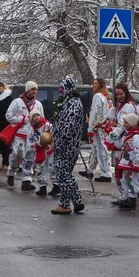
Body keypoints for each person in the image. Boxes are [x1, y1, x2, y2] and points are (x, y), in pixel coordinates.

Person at [51, 76, 85, 214]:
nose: (60, 91)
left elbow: (68, 127)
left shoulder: (73, 104)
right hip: (68, 144)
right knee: (65, 174)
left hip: (67, 145)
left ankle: (72, 201)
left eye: (62, 88)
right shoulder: (68, 102)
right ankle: (70, 203)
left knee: (62, 175)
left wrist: (58, 142)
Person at [5, 81, 44, 191]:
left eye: (36, 90)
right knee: (19, 155)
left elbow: (42, 119)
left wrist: (42, 130)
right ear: (27, 90)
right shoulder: (17, 102)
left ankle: (26, 180)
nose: (34, 91)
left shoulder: (38, 104)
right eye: (32, 89)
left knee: (30, 156)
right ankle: (11, 173)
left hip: (32, 135)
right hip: (19, 133)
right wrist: (23, 119)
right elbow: (8, 115)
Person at [106, 83, 137, 199]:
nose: (119, 97)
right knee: (119, 172)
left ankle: (129, 196)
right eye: (117, 94)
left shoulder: (129, 106)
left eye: (121, 94)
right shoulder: (117, 108)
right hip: (119, 144)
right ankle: (124, 195)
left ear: (126, 93)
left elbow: (123, 126)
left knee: (126, 173)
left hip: (127, 143)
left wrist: (111, 136)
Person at [114, 113, 139, 209]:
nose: (124, 124)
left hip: (132, 164)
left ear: (132, 124)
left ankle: (132, 199)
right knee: (124, 180)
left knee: (132, 181)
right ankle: (125, 197)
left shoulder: (136, 137)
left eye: (126, 122)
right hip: (126, 163)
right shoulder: (128, 135)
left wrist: (136, 162)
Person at [85, 78, 113, 182]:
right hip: (102, 125)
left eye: (96, 83)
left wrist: (92, 127)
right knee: (96, 149)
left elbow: (95, 112)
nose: (93, 85)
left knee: (101, 148)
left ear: (100, 85)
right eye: (93, 83)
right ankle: (90, 170)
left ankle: (106, 173)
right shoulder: (105, 97)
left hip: (97, 127)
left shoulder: (97, 97)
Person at [28, 109, 55, 196]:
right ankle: (42, 187)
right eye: (34, 116)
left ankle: (57, 186)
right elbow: (30, 140)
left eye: (37, 115)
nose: (36, 117)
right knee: (40, 169)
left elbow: (55, 134)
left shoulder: (47, 125)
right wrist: (36, 144)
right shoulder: (32, 129)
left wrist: (51, 141)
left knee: (52, 167)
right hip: (40, 151)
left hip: (50, 150)